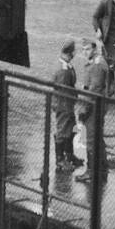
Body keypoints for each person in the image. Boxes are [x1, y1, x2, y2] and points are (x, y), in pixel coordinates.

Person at [75, 38, 112, 183]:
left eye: (88, 49)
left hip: (94, 106)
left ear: (94, 49)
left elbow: (94, 90)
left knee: (91, 139)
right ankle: (102, 167)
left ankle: (91, 171)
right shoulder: (97, 62)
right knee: (97, 137)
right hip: (98, 105)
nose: (85, 52)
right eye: (83, 49)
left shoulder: (96, 65)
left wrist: (83, 110)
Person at [53, 40, 78, 168]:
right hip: (64, 104)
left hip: (68, 104)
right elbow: (63, 91)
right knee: (62, 130)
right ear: (70, 52)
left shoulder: (67, 66)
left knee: (71, 128)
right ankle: (60, 159)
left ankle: (69, 154)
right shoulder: (63, 70)